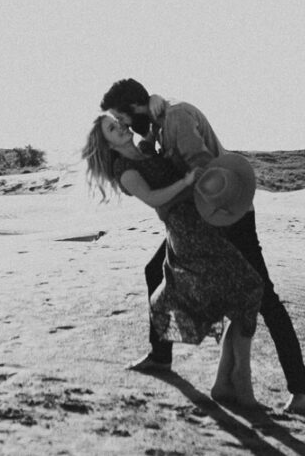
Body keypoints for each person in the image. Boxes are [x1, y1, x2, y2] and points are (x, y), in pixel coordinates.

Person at [100, 78, 305, 415]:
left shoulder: (176, 120)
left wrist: (175, 193)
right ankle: (161, 356)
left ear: (135, 108)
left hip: (228, 212)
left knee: (263, 295)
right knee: (154, 269)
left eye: (122, 117)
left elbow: (203, 168)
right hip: (200, 219)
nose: (124, 125)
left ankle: (300, 391)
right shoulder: (156, 127)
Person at [83, 112, 263, 407]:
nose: (122, 128)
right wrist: (186, 181)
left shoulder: (143, 150)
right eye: (113, 129)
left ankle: (225, 382)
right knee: (249, 287)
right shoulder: (124, 170)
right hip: (185, 230)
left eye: (119, 122)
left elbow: (158, 130)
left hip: (202, 221)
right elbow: (153, 198)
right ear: (108, 143)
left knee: (245, 292)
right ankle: (240, 382)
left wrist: (157, 120)